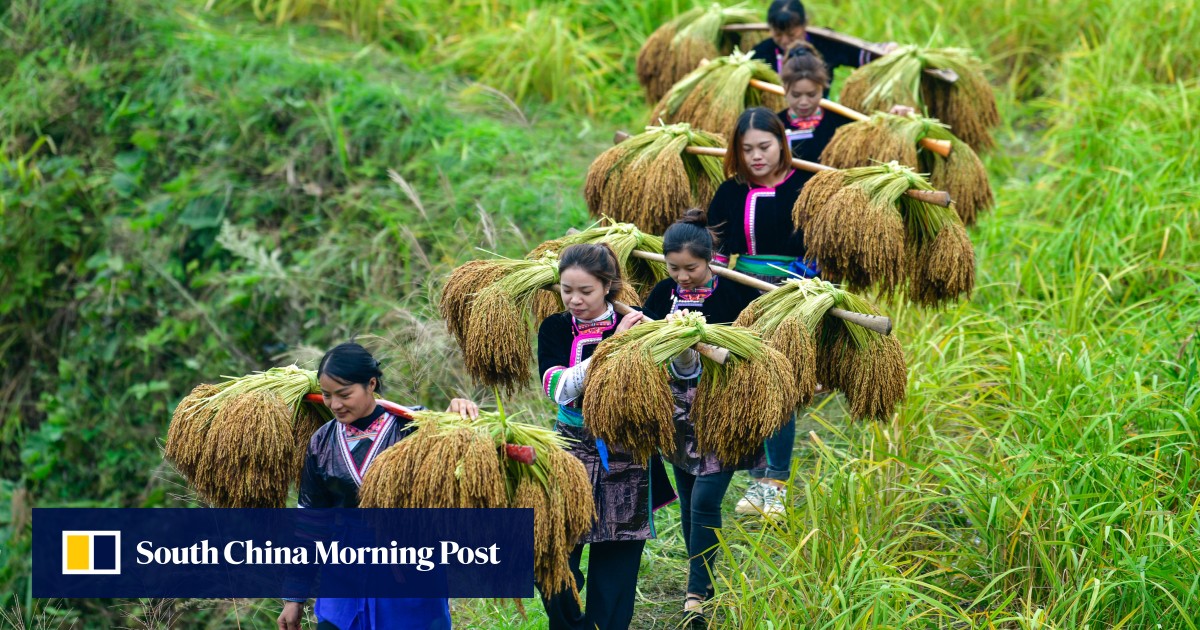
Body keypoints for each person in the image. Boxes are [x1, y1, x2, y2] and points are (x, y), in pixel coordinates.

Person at [278, 341, 479, 630]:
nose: (335, 404)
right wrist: (294, 597)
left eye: (344, 394)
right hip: (344, 578)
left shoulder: (413, 426)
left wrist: (458, 417)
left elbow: (456, 469)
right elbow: (310, 524)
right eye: (326, 395)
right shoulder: (321, 442)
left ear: (371, 384)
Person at [536, 243, 675, 630]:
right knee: (551, 556)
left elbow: (676, 380)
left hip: (625, 456)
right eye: (567, 290)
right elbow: (559, 388)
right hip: (570, 449)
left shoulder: (638, 328)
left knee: (615, 570)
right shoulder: (555, 328)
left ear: (608, 287)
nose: (575, 300)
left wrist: (666, 340)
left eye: (586, 291)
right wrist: (610, 349)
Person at [641, 210, 764, 619]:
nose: (682, 276)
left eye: (690, 268)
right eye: (673, 267)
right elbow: (644, 346)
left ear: (711, 258)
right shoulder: (662, 294)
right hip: (678, 414)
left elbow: (757, 351)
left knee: (708, 498)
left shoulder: (736, 293)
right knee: (692, 499)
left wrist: (711, 348)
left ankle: (697, 592)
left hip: (724, 410)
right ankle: (703, 583)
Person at [706, 107, 813, 517]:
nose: (756, 156)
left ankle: (775, 483)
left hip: (793, 294)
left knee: (779, 385)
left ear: (782, 144)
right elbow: (714, 252)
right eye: (747, 149)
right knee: (745, 382)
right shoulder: (730, 191)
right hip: (741, 292)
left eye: (764, 146)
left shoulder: (805, 185)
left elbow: (821, 246)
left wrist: (810, 285)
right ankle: (754, 480)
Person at [750, 0, 898, 87]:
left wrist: (884, 50)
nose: (784, 41)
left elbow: (858, 53)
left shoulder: (825, 43)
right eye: (777, 35)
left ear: (804, 24)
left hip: (822, 117)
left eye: (791, 35)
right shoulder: (762, 53)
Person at [777, 44, 852, 163]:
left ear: (822, 89)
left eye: (811, 95)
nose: (804, 102)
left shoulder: (842, 122)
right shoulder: (775, 126)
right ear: (785, 90)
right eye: (796, 95)